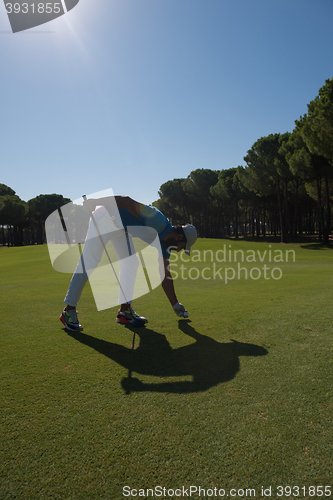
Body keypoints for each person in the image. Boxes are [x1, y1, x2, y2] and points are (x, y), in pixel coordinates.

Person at [60, 195, 197, 331]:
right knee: (89, 262)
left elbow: (165, 274)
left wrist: (175, 304)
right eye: (182, 247)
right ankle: (68, 310)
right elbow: (127, 201)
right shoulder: (157, 219)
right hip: (105, 217)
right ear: (179, 237)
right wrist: (95, 202)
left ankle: (125, 311)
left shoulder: (165, 245)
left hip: (121, 228)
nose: (180, 251)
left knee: (131, 264)